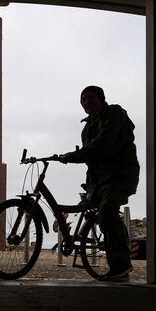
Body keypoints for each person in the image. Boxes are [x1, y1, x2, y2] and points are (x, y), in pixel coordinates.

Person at [57, 85, 140, 281]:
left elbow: (101, 146)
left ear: (102, 98)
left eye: (90, 98)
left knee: (107, 212)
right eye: (83, 101)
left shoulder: (115, 114)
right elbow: (91, 162)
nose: (86, 103)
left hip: (119, 175)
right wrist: (90, 188)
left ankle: (122, 264)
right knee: (102, 217)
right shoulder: (87, 129)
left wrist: (71, 156)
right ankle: (117, 270)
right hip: (101, 180)